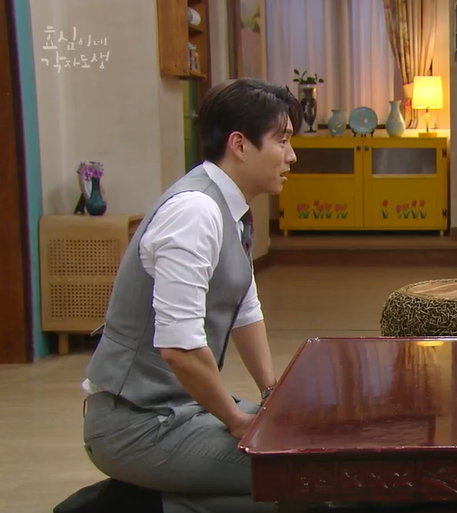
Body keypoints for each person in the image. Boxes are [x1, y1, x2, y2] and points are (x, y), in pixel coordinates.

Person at [55, 78, 303, 513]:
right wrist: (235, 420)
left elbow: (246, 309)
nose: (291, 155)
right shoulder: (195, 212)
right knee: (302, 476)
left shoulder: (232, 210)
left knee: (298, 446)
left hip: (180, 407)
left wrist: (270, 394)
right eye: (282, 141)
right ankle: (134, 504)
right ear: (240, 145)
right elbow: (180, 350)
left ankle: (149, 498)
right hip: (136, 423)